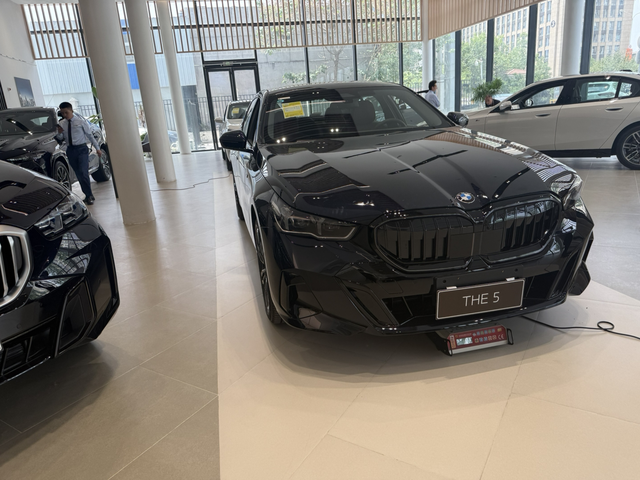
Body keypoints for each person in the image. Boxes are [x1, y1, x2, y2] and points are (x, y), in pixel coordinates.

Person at [57, 102, 103, 205]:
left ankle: (89, 195)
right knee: (78, 174)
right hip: (70, 150)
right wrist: (58, 133)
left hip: (81, 149)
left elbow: (90, 135)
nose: (64, 115)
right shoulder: (62, 123)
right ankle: (87, 194)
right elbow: (61, 138)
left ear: (71, 110)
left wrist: (97, 148)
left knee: (83, 172)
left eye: (66, 112)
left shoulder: (80, 122)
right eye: (62, 113)